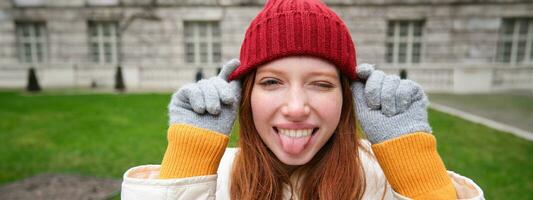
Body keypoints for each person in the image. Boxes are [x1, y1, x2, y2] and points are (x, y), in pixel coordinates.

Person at [121, 0, 484, 199]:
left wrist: (415, 170)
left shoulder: (387, 180)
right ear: (244, 95)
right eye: (272, 82)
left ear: (349, 96)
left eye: (321, 84)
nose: (295, 108)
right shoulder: (214, 178)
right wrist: (188, 161)